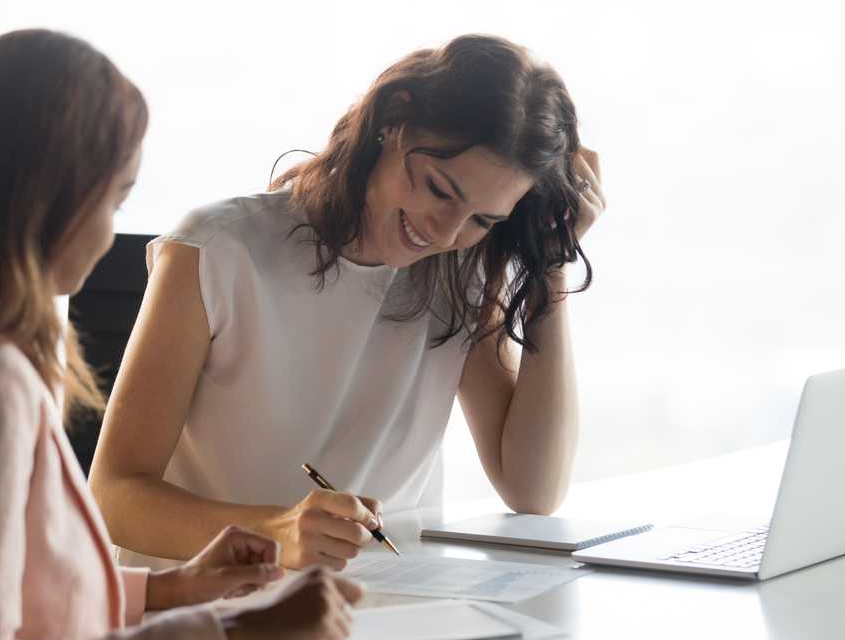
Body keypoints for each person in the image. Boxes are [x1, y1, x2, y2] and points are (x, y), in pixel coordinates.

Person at [0, 29, 361, 640]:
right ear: (47, 202)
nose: (108, 236)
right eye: (115, 199)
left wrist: (170, 590)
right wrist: (237, 636)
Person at [89, 34, 606, 572]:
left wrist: (552, 267)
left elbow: (533, 490)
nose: (446, 231)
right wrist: (275, 534)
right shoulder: (217, 249)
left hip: (386, 606)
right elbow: (114, 496)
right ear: (393, 120)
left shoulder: (462, 272)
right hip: (214, 610)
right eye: (439, 189)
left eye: (484, 219)